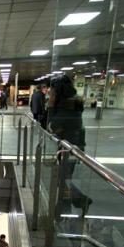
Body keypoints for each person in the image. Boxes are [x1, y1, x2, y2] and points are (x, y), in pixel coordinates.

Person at [48, 74, 92, 214]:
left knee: (63, 180)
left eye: (52, 92)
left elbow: (51, 126)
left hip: (70, 149)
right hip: (70, 147)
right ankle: (73, 203)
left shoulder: (67, 107)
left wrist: (50, 105)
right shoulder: (70, 104)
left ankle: (65, 209)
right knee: (63, 179)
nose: (50, 94)